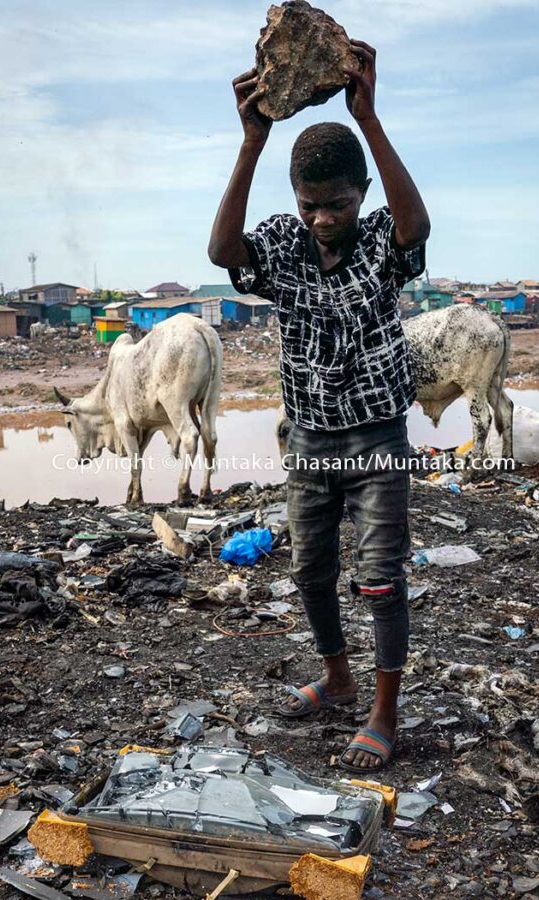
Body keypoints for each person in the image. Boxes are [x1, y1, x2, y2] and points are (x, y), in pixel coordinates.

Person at [208, 40, 430, 772]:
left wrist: (368, 119)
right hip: (306, 441)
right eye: (311, 205)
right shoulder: (281, 242)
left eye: (337, 203)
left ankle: (384, 710)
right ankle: (337, 677)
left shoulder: (379, 244)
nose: (323, 218)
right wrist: (252, 142)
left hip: (375, 441)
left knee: (380, 576)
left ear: (359, 194)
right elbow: (221, 251)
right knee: (309, 571)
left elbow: (415, 229)